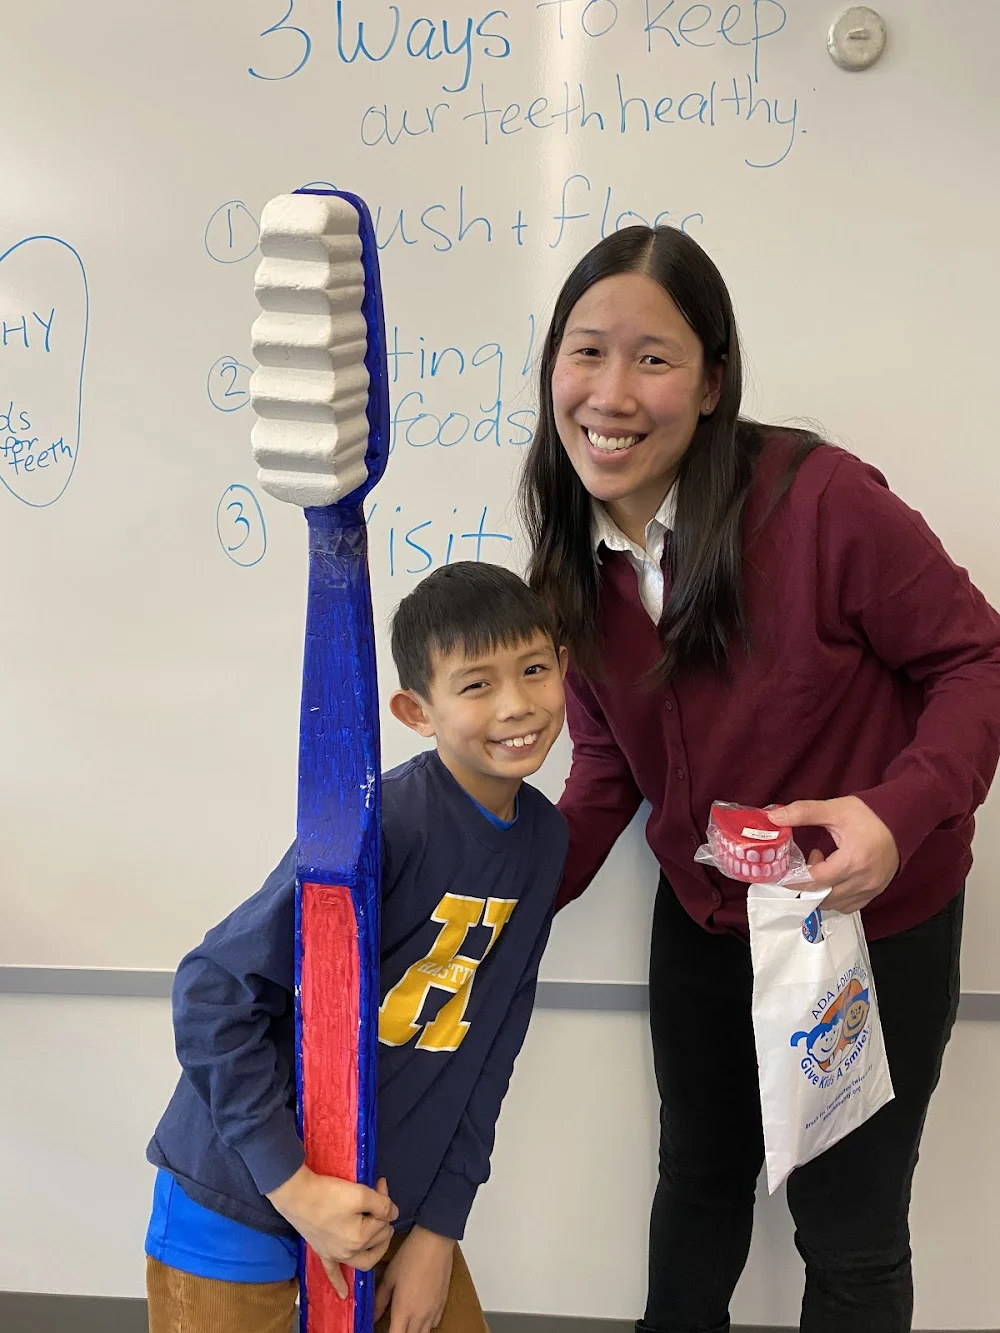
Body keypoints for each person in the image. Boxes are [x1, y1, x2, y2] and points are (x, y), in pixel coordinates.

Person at [519, 224, 1000, 1332]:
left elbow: (975, 657)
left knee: (848, 1230)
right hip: (704, 916)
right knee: (695, 1179)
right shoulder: (568, 551)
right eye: (585, 351)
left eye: (654, 357)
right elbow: (604, 765)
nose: (612, 391)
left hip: (860, 923)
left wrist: (893, 814)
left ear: (713, 380)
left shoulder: (821, 502)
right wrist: (498, 895)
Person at [144, 561, 569, 1333]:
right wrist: (297, 1190)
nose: (517, 704)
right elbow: (213, 994)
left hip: (385, 1214)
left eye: (535, 669)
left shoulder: (543, 839)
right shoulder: (381, 823)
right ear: (416, 709)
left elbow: (490, 1046)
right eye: (476, 684)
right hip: (246, 1202)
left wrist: (440, 1230)